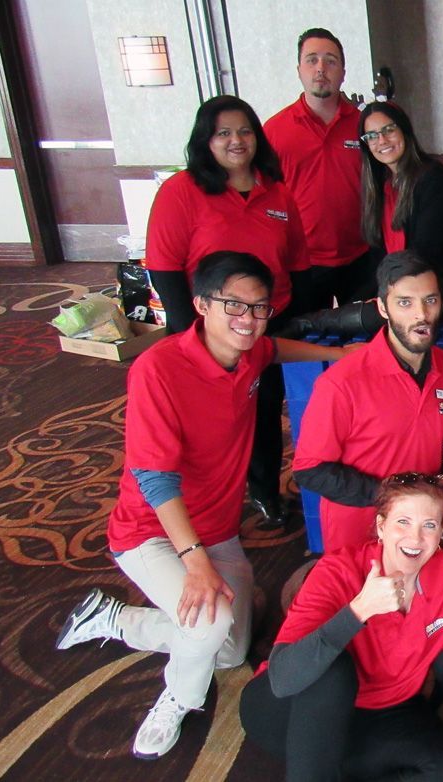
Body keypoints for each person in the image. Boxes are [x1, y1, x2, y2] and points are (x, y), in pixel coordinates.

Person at [54, 252, 350, 760]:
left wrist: (347, 356)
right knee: (210, 625)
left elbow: (275, 348)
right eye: (233, 305)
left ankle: (112, 619)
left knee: (230, 651)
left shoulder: (248, 350)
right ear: (200, 305)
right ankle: (177, 697)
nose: (248, 320)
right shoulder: (158, 369)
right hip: (151, 532)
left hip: (217, 529)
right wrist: (195, 564)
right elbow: (153, 477)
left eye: (259, 308)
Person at [239, 473, 443, 781]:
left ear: (441, 531)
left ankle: (337, 766)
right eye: (402, 522)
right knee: (335, 670)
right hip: (294, 708)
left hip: (380, 714)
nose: (415, 538)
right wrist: (359, 610)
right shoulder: (337, 571)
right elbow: (284, 678)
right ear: (381, 526)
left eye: (428, 525)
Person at [146, 94, 311, 530]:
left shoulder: (276, 192)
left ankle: (263, 489)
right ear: (206, 140)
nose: (236, 140)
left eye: (244, 131)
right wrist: (192, 339)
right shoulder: (180, 192)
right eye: (223, 133)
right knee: (207, 422)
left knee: (262, 410)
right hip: (206, 330)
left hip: (265, 319)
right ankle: (199, 503)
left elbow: (295, 261)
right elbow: (163, 269)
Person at [293, 251, 443, 554]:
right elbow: (310, 469)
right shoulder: (342, 382)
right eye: (405, 303)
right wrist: (393, 497)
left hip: (422, 534)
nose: (421, 315)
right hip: (360, 537)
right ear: (383, 308)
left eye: (430, 300)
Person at [265, 28, 372, 304]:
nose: (321, 68)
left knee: (366, 341)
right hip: (303, 263)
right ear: (299, 70)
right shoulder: (274, 131)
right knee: (309, 342)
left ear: (343, 72)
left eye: (331, 61)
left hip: (362, 257)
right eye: (312, 60)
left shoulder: (365, 125)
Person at [359, 100, 443, 316]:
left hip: (431, 292)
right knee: (346, 312)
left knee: (354, 319)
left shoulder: (432, 177)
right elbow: (377, 255)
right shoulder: (380, 184)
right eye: (371, 136)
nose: (381, 140)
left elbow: (424, 253)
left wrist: (385, 295)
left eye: (388, 130)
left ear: (404, 130)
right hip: (397, 289)